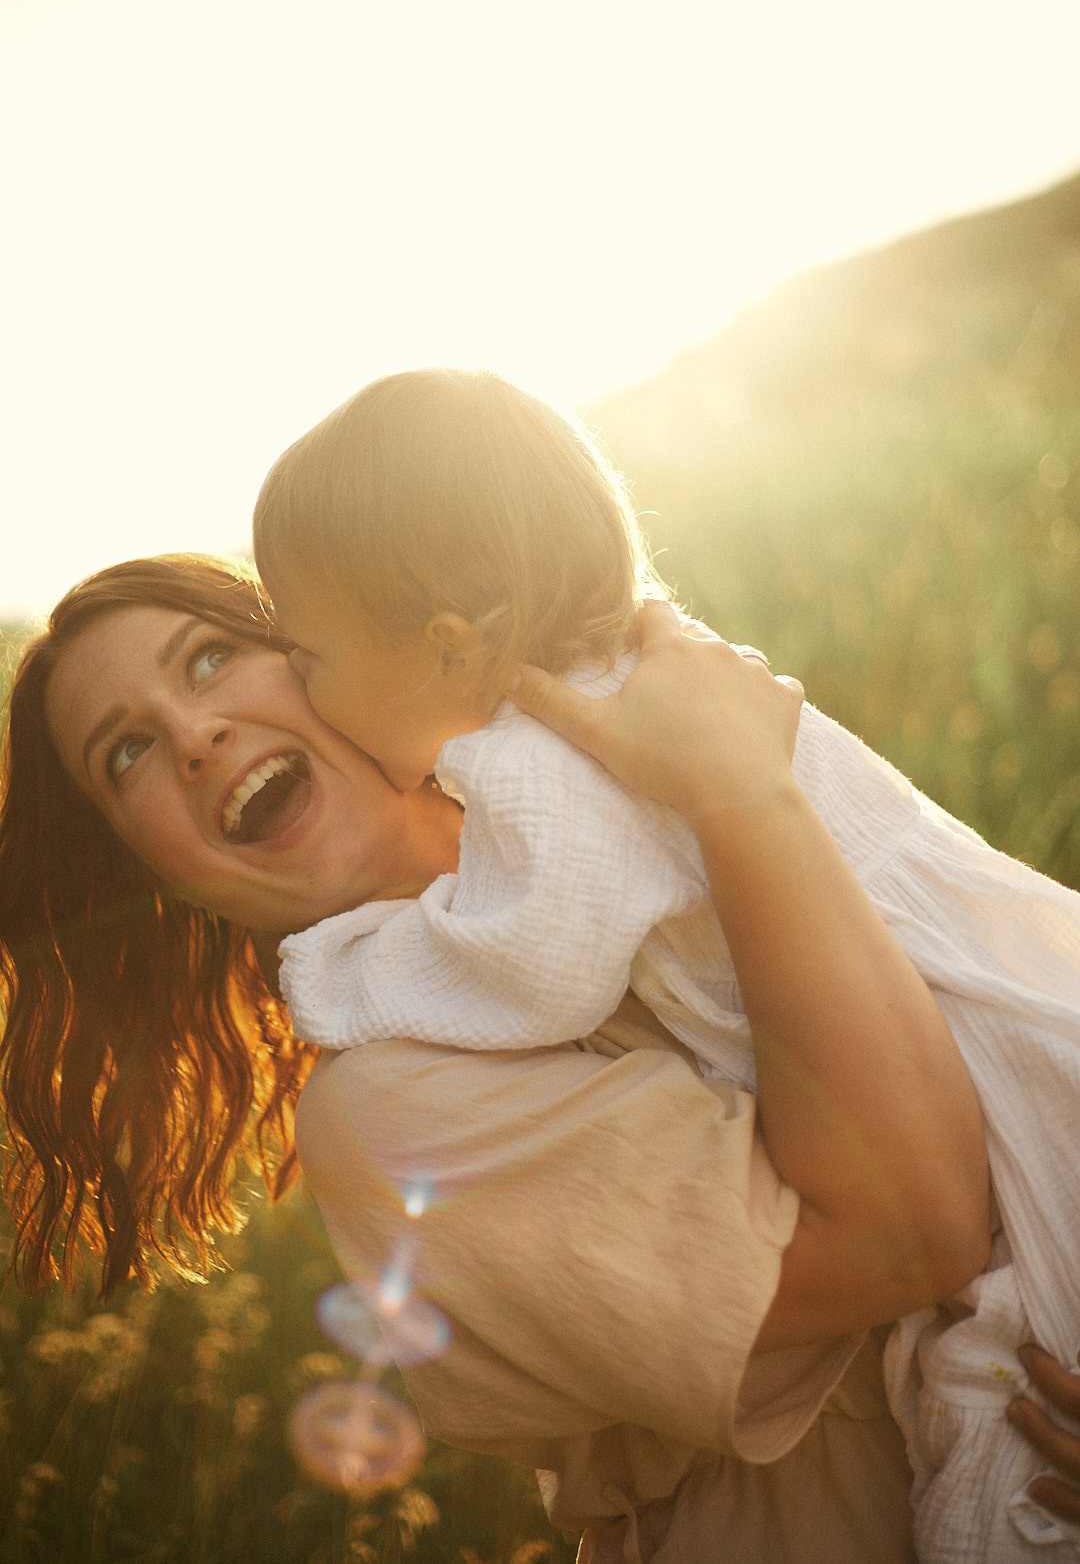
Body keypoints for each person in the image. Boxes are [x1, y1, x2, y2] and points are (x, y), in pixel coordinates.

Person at [1, 551, 994, 1563]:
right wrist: (740, 787)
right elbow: (909, 1237)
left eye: (210, 659)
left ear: (315, 653)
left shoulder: (605, 779)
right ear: (150, 872)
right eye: (126, 753)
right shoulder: (384, 1112)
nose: (192, 735)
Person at [253, 367, 1080, 1559]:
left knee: (1008, 1453)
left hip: (1000, 1085)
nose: (305, 689)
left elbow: (536, 965)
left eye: (308, 652)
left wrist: (347, 976)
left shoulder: (542, 756)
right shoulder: (654, 677)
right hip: (1001, 1027)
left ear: (442, 646)